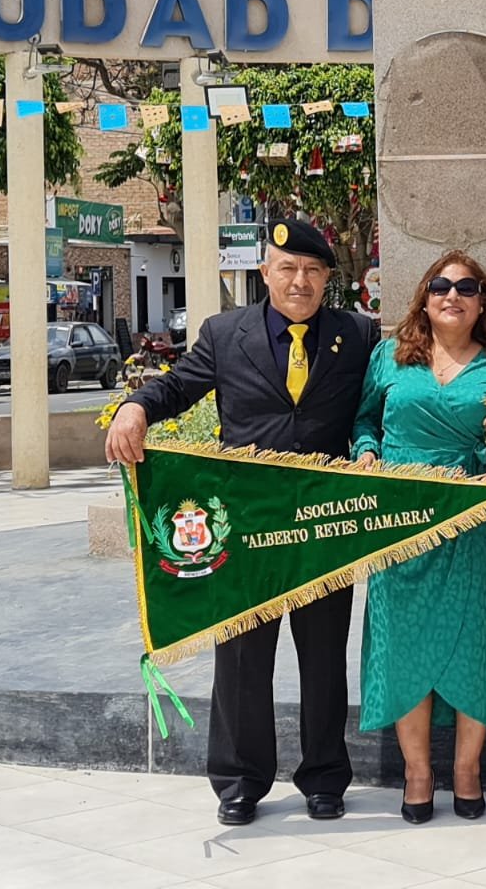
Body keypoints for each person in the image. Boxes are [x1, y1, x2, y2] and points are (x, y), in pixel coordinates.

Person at [104, 219, 377, 827]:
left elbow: (373, 405)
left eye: (312, 271)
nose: (299, 281)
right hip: (247, 527)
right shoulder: (226, 334)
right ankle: (240, 781)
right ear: (266, 273)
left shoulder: (357, 334)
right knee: (243, 658)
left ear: (328, 277)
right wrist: (134, 406)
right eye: (288, 268)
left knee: (324, 656)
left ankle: (325, 777)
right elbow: (178, 387)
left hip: (322, 524)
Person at [351, 251, 486, 825]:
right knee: (402, 643)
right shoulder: (389, 358)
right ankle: (418, 773)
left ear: (484, 302)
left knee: (475, 642)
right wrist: (368, 452)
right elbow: (363, 422)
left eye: (467, 287)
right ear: (424, 299)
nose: (452, 295)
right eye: (440, 285)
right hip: (400, 521)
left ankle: (467, 771)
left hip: (472, 524)